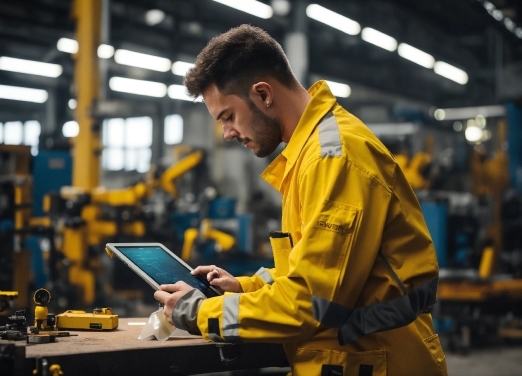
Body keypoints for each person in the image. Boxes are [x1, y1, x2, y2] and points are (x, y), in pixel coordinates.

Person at [154, 24, 447, 376]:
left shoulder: (334, 158)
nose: (227, 133)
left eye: (228, 116)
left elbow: (310, 301)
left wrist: (202, 312)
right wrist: (246, 287)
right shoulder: (310, 154)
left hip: (379, 363)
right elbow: (316, 270)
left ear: (263, 94)